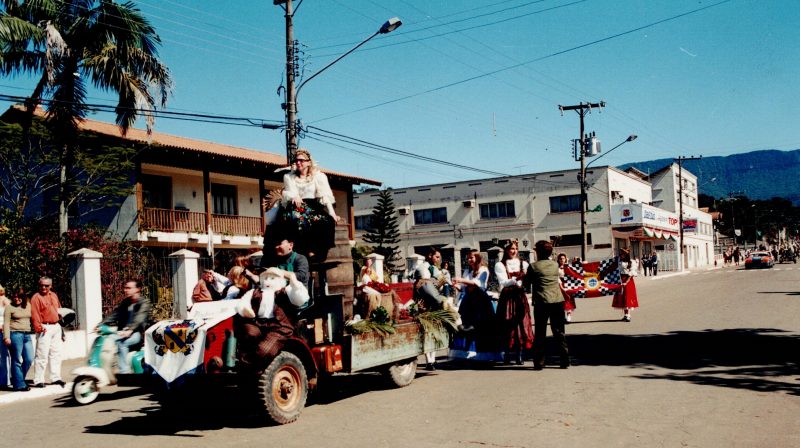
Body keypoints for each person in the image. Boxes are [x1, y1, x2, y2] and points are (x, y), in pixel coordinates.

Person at [266, 148, 340, 263]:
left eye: (301, 160)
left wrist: (332, 213)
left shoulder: (318, 176)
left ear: (308, 162)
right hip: (295, 205)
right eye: (296, 161)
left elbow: (324, 196)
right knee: (296, 218)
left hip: (312, 205)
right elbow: (291, 193)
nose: (298, 163)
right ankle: (301, 250)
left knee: (326, 221)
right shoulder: (289, 177)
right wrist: (294, 196)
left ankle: (314, 250)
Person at [234, 267, 309, 368]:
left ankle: (249, 365)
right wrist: (246, 310)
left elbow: (300, 299)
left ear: (281, 281)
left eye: (272, 278)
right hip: (257, 323)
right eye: (266, 278)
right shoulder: (255, 292)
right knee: (248, 332)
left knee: (264, 350)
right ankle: (242, 359)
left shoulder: (284, 292)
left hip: (279, 326)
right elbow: (243, 302)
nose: (268, 281)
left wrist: (295, 283)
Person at [450, 249, 500, 361]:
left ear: (477, 257)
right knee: (466, 326)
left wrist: (461, 280)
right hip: (468, 301)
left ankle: (483, 353)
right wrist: (457, 286)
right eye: (468, 258)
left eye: (471, 257)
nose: (469, 260)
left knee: (481, 326)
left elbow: (478, 284)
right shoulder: (468, 271)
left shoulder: (484, 270)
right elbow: (464, 288)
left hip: (480, 301)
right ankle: (467, 351)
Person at [526, 240, 569, 370]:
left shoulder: (533, 266)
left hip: (541, 302)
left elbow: (527, 284)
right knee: (559, 332)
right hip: (557, 301)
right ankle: (564, 360)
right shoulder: (555, 265)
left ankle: (539, 362)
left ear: (538, 252)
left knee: (540, 333)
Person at [99, 279, 151, 374]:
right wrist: (101, 324)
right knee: (108, 338)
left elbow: (139, 318)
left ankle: (124, 371)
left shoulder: (144, 303)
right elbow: (115, 314)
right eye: (125, 288)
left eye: (129, 288)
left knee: (122, 343)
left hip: (138, 333)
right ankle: (107, 369)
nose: (125, 290)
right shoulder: (126, 302)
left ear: (138, 289)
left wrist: (130, 329)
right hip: (124, 332)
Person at [495, 239, 534, 365]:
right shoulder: (500, 265)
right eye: (511, 249)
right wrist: (516, 280)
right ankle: (507, 353)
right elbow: (503, 282)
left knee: (521, 324)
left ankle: (519, 354)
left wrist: (522, 281)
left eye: (516, 249)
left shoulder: (523, 263)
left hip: (519, 296)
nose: (514, 251)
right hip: (507, 297)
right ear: (506, 250)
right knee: (507, 324)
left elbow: (527, 280)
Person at [413, 248, 450, 370]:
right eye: (437, 257)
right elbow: (427, 283)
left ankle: (432, 361)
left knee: (433, 330)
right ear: (430, 256)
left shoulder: (432, 268)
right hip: (426, 305)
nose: (439, 260)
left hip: (431, 304)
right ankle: (430, 361)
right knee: (428, 331)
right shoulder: (425, 267)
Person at [30, 276, 64, 388]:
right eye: (41, 285)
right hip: (44, 327)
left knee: (56, 354)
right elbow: (34, 314)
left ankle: (55, 377)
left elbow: (59, 311)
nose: (43, 287)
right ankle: (38, 379)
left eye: (46, 285)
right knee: (41, 355)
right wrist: (39, 327)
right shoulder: (36, 297)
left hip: (56, 326)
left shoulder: (54, 295)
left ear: (51, 286)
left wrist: (61, 329)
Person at [3, 288, 34, 391]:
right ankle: (19, 384)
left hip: (27, 335)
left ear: (23, 297)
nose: (16, 299)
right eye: (14, 296)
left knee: (29, 358)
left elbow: (35, 316)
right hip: (15, 334)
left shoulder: (28, 305)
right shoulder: (9, 307)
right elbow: (6, 323)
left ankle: (17, 379)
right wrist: (6, 337)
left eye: (19, 297)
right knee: (16, 360)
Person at [613, 249, 640, 322]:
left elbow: (631, 274)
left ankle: (628, 315)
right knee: (622, 297)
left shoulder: (632, 262)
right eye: (620, 254)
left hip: (628, 281)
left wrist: (626, 282)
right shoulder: (619, 261)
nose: (621, 255)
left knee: (627, 297)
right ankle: (625, 315)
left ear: (626, 255)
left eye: (622, 254)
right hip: (620, 279)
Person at [557, 253, 576, 323]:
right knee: (561, 301)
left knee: (569, 299)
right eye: (560, 258)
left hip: (568, 285)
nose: (562, 260)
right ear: (558, 260)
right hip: (559, 285)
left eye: (563, 258)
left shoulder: (569, 266)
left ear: (565, 259)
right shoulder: (556, 268)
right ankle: (563, 317)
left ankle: (569, 315)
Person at [0, 284, 11, 389]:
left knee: (4, 357)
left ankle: (5, 380)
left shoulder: (5, 300)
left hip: (2, 331)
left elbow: (10, 315)